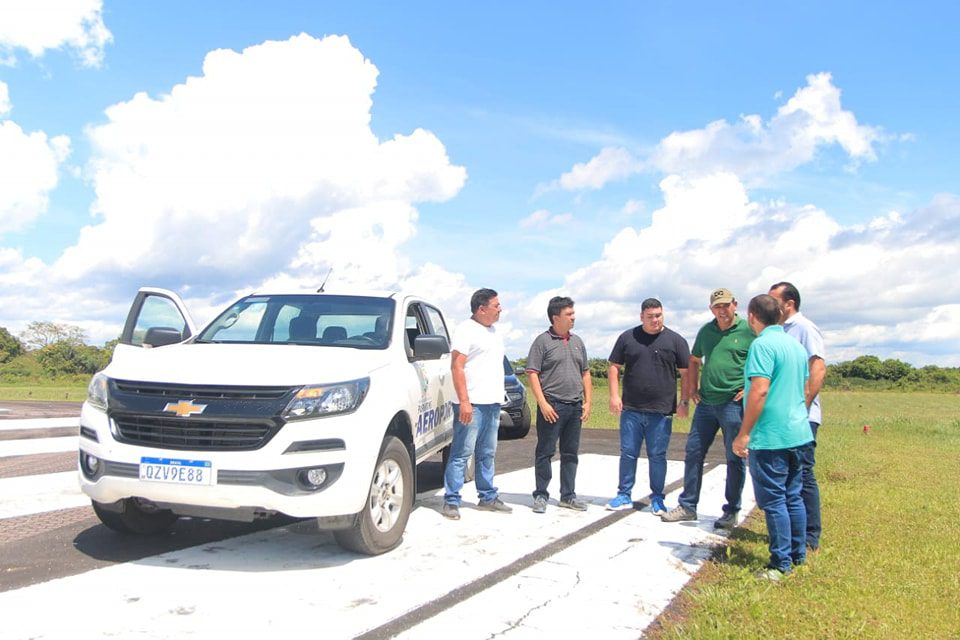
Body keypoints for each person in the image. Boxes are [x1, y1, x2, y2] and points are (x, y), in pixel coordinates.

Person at [732, 294, 813, 580]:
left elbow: (760, 390)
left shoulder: (762, 345)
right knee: (793, 496)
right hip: (798, 432)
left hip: (771, 436)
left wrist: (744, 433)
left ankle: (780, 564)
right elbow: (805, 390)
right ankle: (797, 554)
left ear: (752, 316)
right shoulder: (795, 346)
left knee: (774, 500)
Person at [661, 288, 754, 528]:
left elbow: (763, 360)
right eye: (717, 306)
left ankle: (731, 510)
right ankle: (688, 505)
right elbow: (694, 359)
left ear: (735, 305)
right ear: (711, 308)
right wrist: (692, 388)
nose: (722, 311)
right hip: (706, 403)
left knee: (734, 456)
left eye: (726, 305)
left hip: (733, 402)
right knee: (693, 452)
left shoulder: (749, 331)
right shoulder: (706, 331)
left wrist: (749, 386)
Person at [606, 298, 690, 515]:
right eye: (651, 316)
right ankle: (624, 495)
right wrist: (614, 396)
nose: (655, 319)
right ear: (641, 316)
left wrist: (684, 401)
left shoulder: (676, 341)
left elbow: (686, 373)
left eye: (659, 315)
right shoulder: (627, 338)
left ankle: (658, 498)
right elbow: (614, 367)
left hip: (661, 411)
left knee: (658, 456)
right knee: (628, 453)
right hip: (631, 409)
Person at [442, 288, 512, 519]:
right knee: (462, 453)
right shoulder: (465, 330)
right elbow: (457, 366)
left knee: (487, 452)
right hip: (471, 404)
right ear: (481, 309)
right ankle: (452, 500)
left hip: (492, 403)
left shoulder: (494, 332)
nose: (500, 309)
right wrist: (464, 402)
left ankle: (487, 496)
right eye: (496, 305)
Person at [769, 281, 825, 552]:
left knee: (803, 474)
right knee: (789, 476)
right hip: (784, 417)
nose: (770, 306)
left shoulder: (803, 328)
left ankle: (810, 536)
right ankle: (794, 532)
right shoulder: (780, 330)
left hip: (802, 416)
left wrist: (802, 407)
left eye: (774, 301)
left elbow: (818, 367)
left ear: (789, 303)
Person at [527, 296, 593, 513]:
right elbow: (533, 373)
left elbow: (585, 373)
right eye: (569, 314)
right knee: (545, 452)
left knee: (570, 453)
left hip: (575, 406)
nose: (574, 318)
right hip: (552, 406)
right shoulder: (542, 342)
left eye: (573, 313)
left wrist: (588, 401)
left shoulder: (577, 342)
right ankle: (541, 495)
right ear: (556, 317)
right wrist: (543, 403)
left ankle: (568, 496)